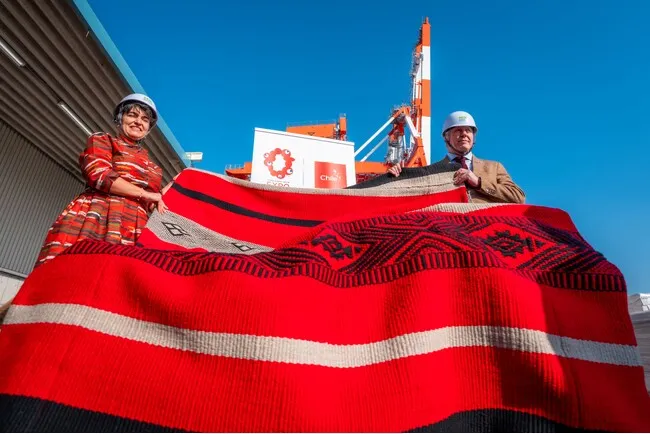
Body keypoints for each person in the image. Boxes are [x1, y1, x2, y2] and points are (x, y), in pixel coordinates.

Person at [35, 93, 171, 267]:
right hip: (97, 217)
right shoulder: (103, 140)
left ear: (148, 128)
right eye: (132, 115)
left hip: (133, 227)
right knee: (76, 268)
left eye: (145, 119)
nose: (138, 122)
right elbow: (100, 175)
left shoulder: (153, 168)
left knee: (118, 276)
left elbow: (153, 203)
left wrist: (175, 187)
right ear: (120, 118)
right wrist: (145, 194)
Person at [388, 111, 525, 204]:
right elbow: (412, 200)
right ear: (446, 137)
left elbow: (518, 197)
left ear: (473, 137)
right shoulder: (431, 172)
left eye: (468, 130)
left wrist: (479, 182)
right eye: (458, 130)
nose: (464, 134)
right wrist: (396, 179)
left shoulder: (494, 167)